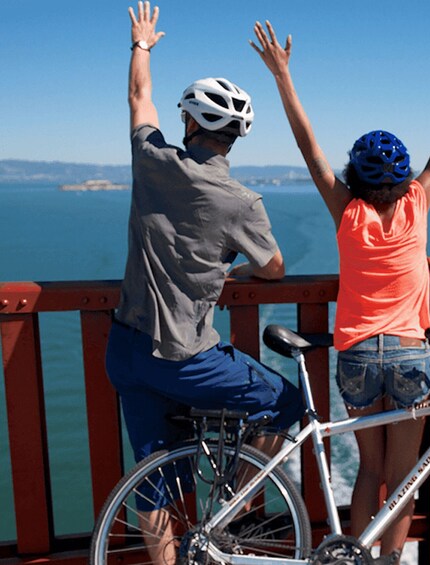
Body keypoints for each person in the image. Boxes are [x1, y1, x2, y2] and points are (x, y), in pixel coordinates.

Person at [250, 18, 430, 562]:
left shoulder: (348, 212)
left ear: (356, 179)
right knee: (405, 475)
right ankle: (389, 559)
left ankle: (356, 556)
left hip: (358, 353)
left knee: (369, 467)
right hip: (410, 352)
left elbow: (307, 145)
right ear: (405, 178)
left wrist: (282, 75)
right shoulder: (417, 202)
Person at [106, 4, 303, 563]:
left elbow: (138, 100)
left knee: (154, 477)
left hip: (126, 347)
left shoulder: (151, 160)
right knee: (284, 403)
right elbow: (275, 268)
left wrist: (141, 44)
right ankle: (232, 508)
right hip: (187, 358)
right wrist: (229, 269)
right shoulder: (242, 204)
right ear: (235, 136)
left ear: (190, 123)